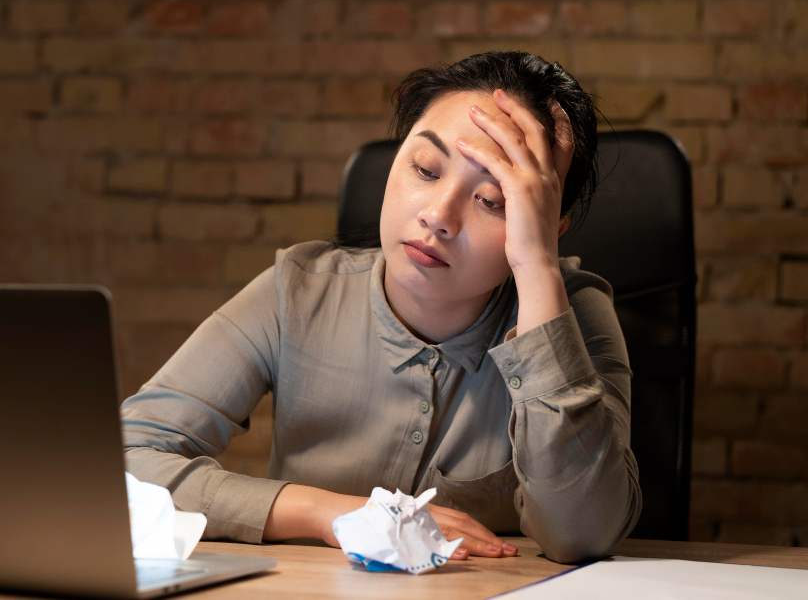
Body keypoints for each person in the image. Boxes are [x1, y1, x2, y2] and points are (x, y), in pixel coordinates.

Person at [121, 51, 641, 564]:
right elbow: (124, 460)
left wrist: (536, 266)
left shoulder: (576, 313)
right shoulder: (295, 293)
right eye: (426, 168)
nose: (438, 216)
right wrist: (328, 514)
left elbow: (585, 534)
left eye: (492, 201)